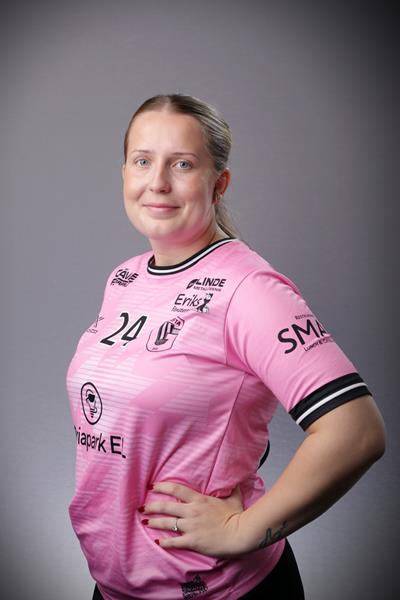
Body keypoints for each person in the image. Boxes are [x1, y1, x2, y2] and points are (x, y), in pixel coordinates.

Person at [66, 93, 386, 600]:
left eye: (182, 164)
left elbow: (357, 431)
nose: (157, 182)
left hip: (215, 588)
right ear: (124, 172)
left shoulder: (250, 290)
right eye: (142, 161)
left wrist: (240, 530)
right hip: (116, 586)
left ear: (219, 183)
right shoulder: (125, 279)